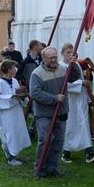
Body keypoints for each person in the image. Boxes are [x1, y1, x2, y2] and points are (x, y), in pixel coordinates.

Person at [30, 46, 79, 178]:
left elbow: (75, 77)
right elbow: (35, 93)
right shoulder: (37, 73)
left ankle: (52, 168)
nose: (53, 60)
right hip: (44, 114)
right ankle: (40, 167)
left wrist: (72, 64)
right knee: (45, 140)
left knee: (58, 142)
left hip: (61, 112)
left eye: (55, 57)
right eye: (50, 58)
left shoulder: (62, 69)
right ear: (43, 58)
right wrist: (54, 98)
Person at [59, 43, 94, 164]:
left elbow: (81, 79)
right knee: (70, 125)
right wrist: (80, 84)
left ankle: (89, 153)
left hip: (80, 99)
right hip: (69, 100)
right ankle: (66, 152)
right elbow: (62, 85)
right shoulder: (60, 67)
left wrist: (88, 96)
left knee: (84, 124)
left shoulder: (76, 65)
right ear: (63, 53)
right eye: (68, 52)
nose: (71, 54)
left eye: (72, 52)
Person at [0, 60, 31, 166]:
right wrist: (10, 97)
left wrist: (23, 97)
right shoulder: (0, 83)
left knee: (16, 132)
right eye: (13, 68)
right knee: (8, 134)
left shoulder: (14, 80)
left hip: (16, 112)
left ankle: (15, 153)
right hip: (6, 114)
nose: (15, 69)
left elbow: (19, 92)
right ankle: (10, 157)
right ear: (9, 70)